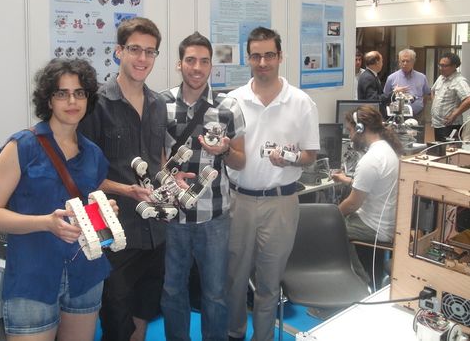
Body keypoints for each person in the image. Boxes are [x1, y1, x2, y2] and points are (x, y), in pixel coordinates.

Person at [0, 58, 115, 341]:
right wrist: (46, 223)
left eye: (79, 93)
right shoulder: (22, 146)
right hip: (33, 275)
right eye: (62, 93)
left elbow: (85, 209)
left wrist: (103, 212)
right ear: (49, 100)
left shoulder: (93, 154)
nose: (72, 101)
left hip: (85, 272)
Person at [226, 27, 319, 341]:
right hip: (238, 201)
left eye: (269, 55)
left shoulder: (301, 102)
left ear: (280, 56)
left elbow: (310, 155)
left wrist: (290, 158)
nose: (262, 62)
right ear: (248, 58)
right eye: (256, 56)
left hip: (281, 203)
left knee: (269, 283)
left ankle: (263, 337)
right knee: (234, 279)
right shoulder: (233, 100)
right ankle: (234, 333)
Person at [79, 17, 167, 341]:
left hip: (156, 232)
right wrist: (126, 190)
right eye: (135, 49)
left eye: (150, 52)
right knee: (116, 321)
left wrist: (172, 178)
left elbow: (157, 161)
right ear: (119, 51)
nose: (142, 58)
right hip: (116, 235)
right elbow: (83, 175)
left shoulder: (159, 104)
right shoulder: (95, 105)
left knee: (145, 311)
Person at [160, 32, 246, 341]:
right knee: (172, 291)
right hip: (173, 216)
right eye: (190, 60)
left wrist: (224, 150)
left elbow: (240, 161)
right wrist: (166, 176)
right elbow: (156, 157)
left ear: (212, 66)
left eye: (204, 61)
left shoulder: (229, 106)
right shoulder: (161, 103)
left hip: (214, 216)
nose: (197, 68)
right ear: (179, 64)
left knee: (215, 293)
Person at [331, 105, 403, 284]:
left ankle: (360, 282)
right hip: (385, 223)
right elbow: (374, 185)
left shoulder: (371, 160)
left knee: (329, 230)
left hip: (374, 227)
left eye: (350, 130)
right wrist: (347, 180)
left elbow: (352, 204)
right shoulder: (387, 151)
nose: (350, 136)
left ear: (360, 128)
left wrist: (331, 216)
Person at [431, 52, 470, 142]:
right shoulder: (441, 78)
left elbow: (468, 99)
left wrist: (454, 114)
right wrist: (435, 104)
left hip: (450, 125)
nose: (441, 68)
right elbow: (432, 90)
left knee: (450, 149)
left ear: (454, 66)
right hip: (437, 124)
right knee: (439, 148)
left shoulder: (459, 81)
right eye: (440, 65)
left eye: (445, 66)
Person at [383, 48, 430, 119]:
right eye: (403, 61)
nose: (405, 63)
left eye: (407, 61)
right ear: (399, 62)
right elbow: (385, 96)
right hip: (397, 115)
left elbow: (426, 95)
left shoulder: (422, 77)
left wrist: (421, 108)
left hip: (417, 115)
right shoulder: (391, 78)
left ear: (413, 62)